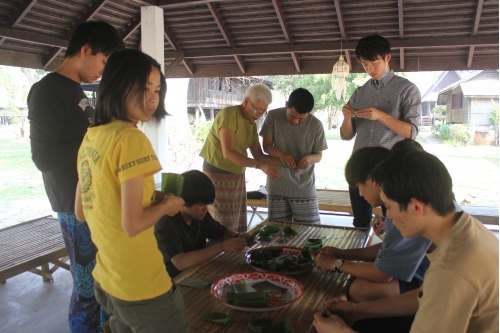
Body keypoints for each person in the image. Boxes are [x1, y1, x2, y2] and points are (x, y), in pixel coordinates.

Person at [314, 151, 499, 333]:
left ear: (416, 207)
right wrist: (359, 310)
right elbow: (425, 295)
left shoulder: (451, 271)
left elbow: (440, 286)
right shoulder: (465, 228)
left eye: (389, 207)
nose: (390, 217)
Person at [74, 49, 188, 332]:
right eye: (143, 88)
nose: (152, 98)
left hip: (108, 280)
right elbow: (133, 223)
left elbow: (81, 211)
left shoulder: (91, 137)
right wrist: (166, 206)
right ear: (118, 86)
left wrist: (155, 198)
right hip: (142, 285)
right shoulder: (130, 139)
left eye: (157, 89)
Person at [27, 21, 124, 333]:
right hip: (72, 204)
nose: (103, 71)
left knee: (103, 284)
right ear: (85, 51)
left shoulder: (76, 91)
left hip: (95, 199)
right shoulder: (45, 92)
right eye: (104, 61)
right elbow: (42, 157)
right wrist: (93, 140)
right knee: (87, 291)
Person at [315, 147, 430, 307]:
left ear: (372, 180)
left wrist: (337, 264)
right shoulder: (401, 198)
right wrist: (341, 253)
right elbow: (389, 251)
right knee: (355, 275)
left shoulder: (401, 208)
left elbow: (384, 274)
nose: (360, 194)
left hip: (427, 279)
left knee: (359, 288)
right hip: (423, 272)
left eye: (358, 186)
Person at [340, 34, 421, 228]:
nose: (370, 69)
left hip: (390, 171)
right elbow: (346, 135)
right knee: (360, 222)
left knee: (393, 224)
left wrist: (381, 116)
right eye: (365, 64)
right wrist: (347, 117)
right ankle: (356, 257)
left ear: (387, 57)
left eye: (374, 62)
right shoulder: (360, 92)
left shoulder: (407, 90)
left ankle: (388, 257)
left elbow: (411, 132)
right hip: (360, 168)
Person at [200, 83, 281, 232]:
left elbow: (259, 155)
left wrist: (286, 161)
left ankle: (235, 253)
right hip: (216, 174)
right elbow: (228, 152)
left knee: (236, 221)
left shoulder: (251, 125)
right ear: (245, 102)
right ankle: (220, 254)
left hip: (236, 176)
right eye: (257, 109)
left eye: (263, 111)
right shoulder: (228, 115)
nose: (259, 114)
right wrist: (259, 165)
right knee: (221, 225)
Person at [155, 170, 255, 278]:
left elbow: (221, 231)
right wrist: (222, 247)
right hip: (173, 279)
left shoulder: (200, 217)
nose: (206, 209)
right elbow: (179, 262)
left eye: (207, 204)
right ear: (183, 200)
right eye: (202, 204)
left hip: (195, 270)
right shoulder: (165, 223)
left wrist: (237, 236)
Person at [260, 88, 328, 223]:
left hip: (304, 187)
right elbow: (266, 146)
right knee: (277, 232)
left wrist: (308, 159)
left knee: (309, 233)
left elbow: (318, 156)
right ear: (287, 105)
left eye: (301, 119)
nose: (296, 121)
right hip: (277, 185)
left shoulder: (316, 125)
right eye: (293, 116)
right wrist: (281, 154)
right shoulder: (273, 116)